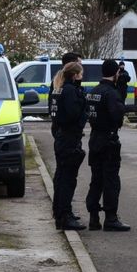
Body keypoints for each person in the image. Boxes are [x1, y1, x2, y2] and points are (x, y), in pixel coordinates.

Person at [85, 59, 131, 231]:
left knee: (96, 180)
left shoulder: (94, 91)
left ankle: (93, 217)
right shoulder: (111, 93)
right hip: (108, 141)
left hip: (95, 139)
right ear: (116, 73)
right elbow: (117, 114)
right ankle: (111, 218)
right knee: (111, 181)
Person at [51, 61, 88, 231]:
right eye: (80, 74)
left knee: (61, 177)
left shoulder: (59, 88)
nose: (82, 77)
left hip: (61, 137)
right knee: (67, 179)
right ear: (75, 75)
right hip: (69, 139)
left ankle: (61, 213)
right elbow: (74, 115)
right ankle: (65, 215)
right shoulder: (71, 91)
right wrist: (84, 106)